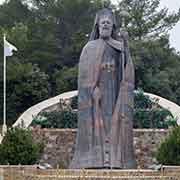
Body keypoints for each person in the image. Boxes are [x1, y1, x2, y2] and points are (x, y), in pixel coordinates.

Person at [70, 8, 136, 169]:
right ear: (97, 26)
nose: (105, 25)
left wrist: (126, 45)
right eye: (102, 22)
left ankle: (116, 160)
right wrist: (91, 89)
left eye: (108, 22)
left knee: (115, 123)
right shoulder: (89, 48)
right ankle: (95, 160)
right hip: (96, 95)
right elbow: (84, 75)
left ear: (112, 26)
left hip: (114, 93)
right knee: (98, 125)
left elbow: (127, 68)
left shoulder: (119, 47)